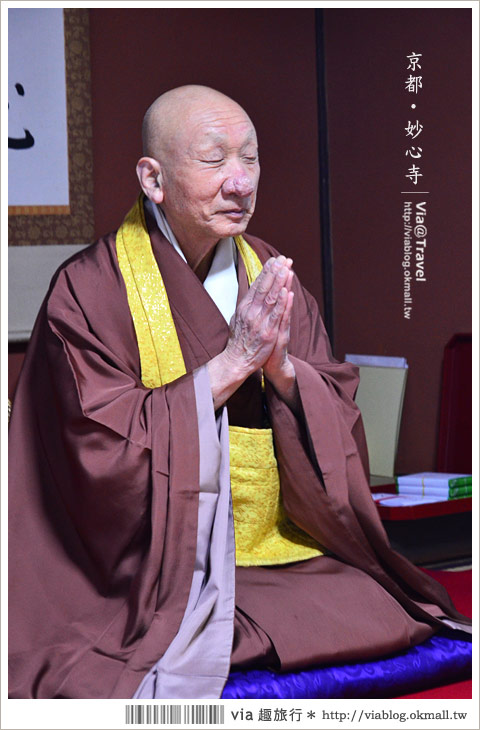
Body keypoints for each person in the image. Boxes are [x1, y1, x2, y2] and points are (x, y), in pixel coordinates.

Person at [8, 85, 470, 699]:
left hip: (277, 543)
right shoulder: (89, 290)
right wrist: (230, 367)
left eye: (249, 158)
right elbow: (88, 448)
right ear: (154, 178)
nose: (240, 182)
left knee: (380, 605)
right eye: (214, 159)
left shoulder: (267, 270)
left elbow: (334, 397)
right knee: (166, 644)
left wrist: (283, 372)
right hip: (155, 566)